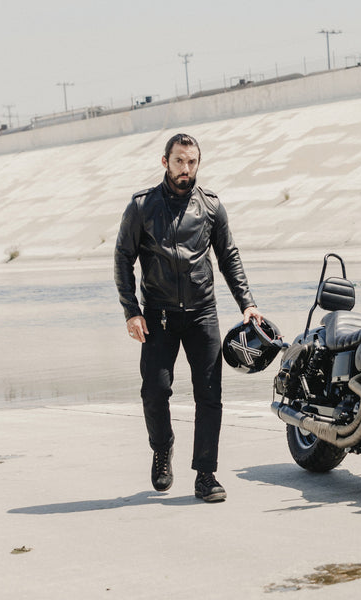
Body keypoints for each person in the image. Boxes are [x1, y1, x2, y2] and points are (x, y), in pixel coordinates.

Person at [114, 133, 262, 502]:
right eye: (179, 161)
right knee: (154, 390)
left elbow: (229, 257)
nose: (186, 169)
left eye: (192, 162)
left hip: (202, 314)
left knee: (209, 396)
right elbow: (122, 258)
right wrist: (131, 311)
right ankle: (162, 448)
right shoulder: (142, 206)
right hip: (158, 316)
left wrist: (247, 303)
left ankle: (205, 475)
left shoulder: (211, 207)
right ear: (165, 162)